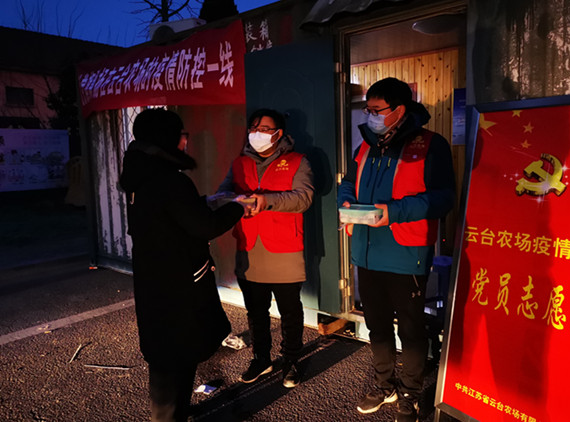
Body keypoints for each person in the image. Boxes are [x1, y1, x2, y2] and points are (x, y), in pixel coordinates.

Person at [337, 78, 455, 422]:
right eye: (368, 109)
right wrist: (346, 202)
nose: (370, 115)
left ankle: (410, 393)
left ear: (399, 110)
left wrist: (395, 212)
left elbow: (444, 198)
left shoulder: (431, 145)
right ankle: (384, 384)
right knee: (377, 326)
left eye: (377, 110)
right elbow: (348, 182)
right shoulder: (366, 145)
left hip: (406, 253)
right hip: (366, 251)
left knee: (411, 330)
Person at [119, 108, 245, 422]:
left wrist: (204, 202)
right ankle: (168, 416)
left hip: (153, 278)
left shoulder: (139, 175)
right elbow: (205, 226)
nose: (185, 141)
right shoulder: (170, 180)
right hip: (178, 282)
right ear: (165, 139)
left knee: (165, 354)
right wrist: (237, 207)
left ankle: (175, 410)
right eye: (180, 135)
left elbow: (170, 215)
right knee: (177, 353)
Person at [217, 108, 314, 389]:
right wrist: (234, 199)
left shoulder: (297, 161)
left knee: (290, 311)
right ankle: (261, 358)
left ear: (278, 134)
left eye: (264, 129)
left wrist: (267, 200)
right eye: (253, 128)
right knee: (255, 311)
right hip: (248, 247)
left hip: (284, 248)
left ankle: (291, 359)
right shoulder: (239, 163)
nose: (257, 133)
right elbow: (223, 193)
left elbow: (304, 197)